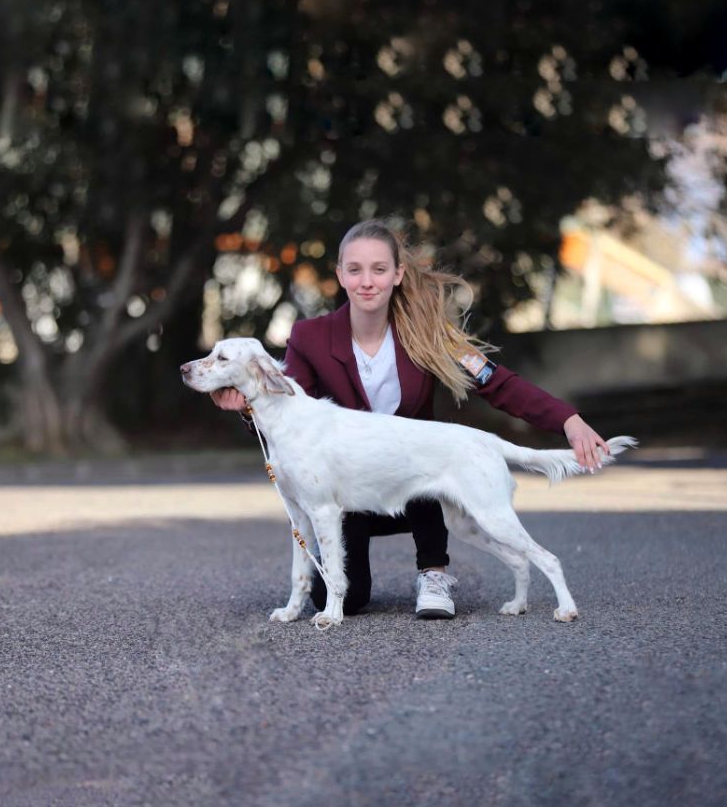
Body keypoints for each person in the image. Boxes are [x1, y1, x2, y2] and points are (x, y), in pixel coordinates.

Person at [209, 219, 609, 619]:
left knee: (429, 470)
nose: (367, 281)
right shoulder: (309, 337)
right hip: (350, 491)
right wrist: (246, 406)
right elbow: (291, 417)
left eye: (379, 269)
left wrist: (567, 420)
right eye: (355, 270)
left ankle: (433, 572)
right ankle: (341, 585)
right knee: (346, 600)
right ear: (340, 276)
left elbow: (497, 383)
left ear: (398, 274)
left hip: (419, 488)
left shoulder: (431, 333)